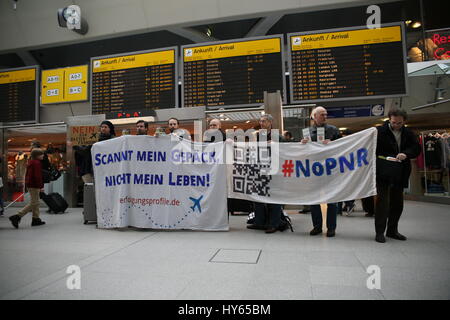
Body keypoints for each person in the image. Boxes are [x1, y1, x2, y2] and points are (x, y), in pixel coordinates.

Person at [374, 109, 420, 243]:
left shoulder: (409, 133)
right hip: (383, 171)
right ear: (389, 119)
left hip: (401, 171)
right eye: (393, 123)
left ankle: (392, 231)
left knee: (397, 203)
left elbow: (416, 149)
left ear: (404, 121)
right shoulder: (378, 131)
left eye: (399, 123)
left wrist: (406, 153)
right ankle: (379, 232)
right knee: (382, 202)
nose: (396, 125)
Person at [301, 106, 341, 237]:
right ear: (314, 116)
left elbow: (343, 147)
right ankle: (317, 226)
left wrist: (333, 144)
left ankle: (331, 228)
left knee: (332, 200)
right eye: (322, 114)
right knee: (314, 200)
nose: (325, 116)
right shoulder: (306, 132)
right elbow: (304, 152)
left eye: (326, 114)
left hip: (330, 169)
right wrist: (301, 143)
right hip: (314, 170)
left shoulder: (334, 130)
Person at [247, 114, 286, 234]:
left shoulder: (278, 137)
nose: (262, 123)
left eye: (264, 121)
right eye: (260, 121)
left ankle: (274, 223)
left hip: (274, 171)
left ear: (270, 123)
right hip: (259, 169)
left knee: (273, 198)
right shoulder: (257, 136)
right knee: (257, 196)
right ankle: (259, 221)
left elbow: (287, 150)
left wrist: (275, 145)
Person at [9, 148, 46, 228]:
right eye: (41, 154)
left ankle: (36, 219)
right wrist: (41, 186)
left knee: (35, 201)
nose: (43, 155)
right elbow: (37, 176)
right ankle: (17, 216)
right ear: (37, 156)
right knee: (34, 203)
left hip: (31, 184)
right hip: (34, 185)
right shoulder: (37, 163)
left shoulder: (31, 162)